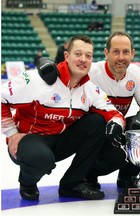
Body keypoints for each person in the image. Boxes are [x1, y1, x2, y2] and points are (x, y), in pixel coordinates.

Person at [1, 35, 126, 201]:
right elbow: (2, 98)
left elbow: (113, 112)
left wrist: (116, 124)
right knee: (41, 159)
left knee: (97, 121)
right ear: (67, 56)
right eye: (78, 54)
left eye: (88, 56)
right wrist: (12, 133)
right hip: (30, 139)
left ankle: (72, 183)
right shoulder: (37, 80)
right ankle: (27, 183)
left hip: (61, 140)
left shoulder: (89, 89)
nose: (83, 60)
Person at [86, 31, 140, 189]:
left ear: (132, 54)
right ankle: (87, 174)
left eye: (125, 52)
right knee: (94, 123)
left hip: (117, 127)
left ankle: (127, 174)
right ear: (106, 53)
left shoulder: (135, 73)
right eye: (116, 52)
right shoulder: (92, 72)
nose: (121, 57)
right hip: (95, 131)